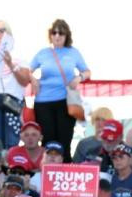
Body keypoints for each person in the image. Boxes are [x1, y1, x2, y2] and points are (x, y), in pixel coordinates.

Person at [26, 19, 90, 160]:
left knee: (64, 141)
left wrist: (79, 77)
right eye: (54, 32)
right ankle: (47, 175)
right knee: (48, 141)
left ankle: (65, 173)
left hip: (65, 102)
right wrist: (33, 79)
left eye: (61, 32)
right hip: (43, 102)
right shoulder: (43, 53)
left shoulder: (73, 52)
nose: (57, 35)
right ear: (50, 35)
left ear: (66, 35)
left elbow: (87, 72)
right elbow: (27, 70)